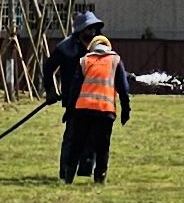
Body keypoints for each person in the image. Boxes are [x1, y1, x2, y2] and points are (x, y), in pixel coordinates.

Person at [57, 26, 132, 184]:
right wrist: (126, 110)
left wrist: (69, 110)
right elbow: (124, 89)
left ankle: (69, 178)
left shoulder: (84, 61)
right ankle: (99, 178)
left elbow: (75, 88)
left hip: (83, 110)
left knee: (77, 144)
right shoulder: (115, 60)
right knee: (102, 147)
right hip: (105, 111)